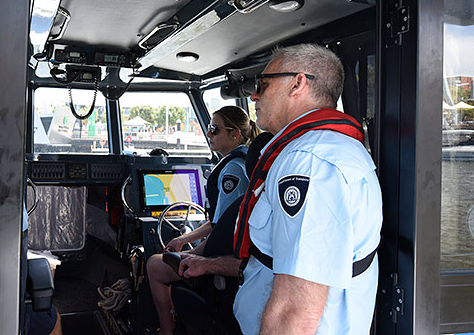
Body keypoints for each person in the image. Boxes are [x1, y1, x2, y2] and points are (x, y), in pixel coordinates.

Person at [178, 43, 382, 335]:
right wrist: (208, 264)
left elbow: (296, 310)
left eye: (262, 84)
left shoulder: (309, 164)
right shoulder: (319, 151)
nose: (254, 95)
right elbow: (270, 261)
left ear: (298, 84)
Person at [147, 105, 260, 335]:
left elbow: (220, 234)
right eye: (209, 128)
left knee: (154, 265)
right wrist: (184, 238)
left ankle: (166, 331)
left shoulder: (231, 173)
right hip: (241, 249)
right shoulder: (248, 162)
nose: (208, 134)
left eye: (214, 129)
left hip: (225, 255)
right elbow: (221, 222)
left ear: (235, 134)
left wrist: (192, 254)